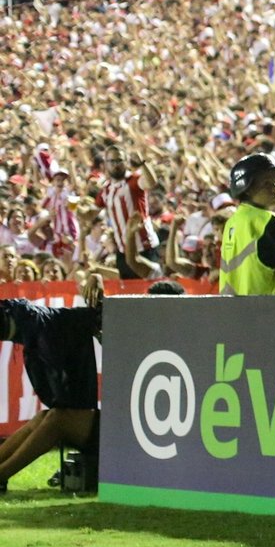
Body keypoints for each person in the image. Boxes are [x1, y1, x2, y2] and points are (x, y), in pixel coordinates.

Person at [0, 274, 106, 491]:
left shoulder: (61, 324)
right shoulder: (48, 329)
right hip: (99, 422)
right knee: (45, 416)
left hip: (114, 428)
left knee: (57, 418)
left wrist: (96, 277)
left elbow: (102, 312)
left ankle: (2, 474)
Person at [219, 151, 275, 296]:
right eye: (267, 184)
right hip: (270, 310)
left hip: (235, 313)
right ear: (247, 189)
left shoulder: (231, 223)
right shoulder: (266, 220)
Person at [100, 145, 161, 279]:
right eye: (112, 161)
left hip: (144, 248)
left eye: (119, 160)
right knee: (129, 294)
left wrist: (143, 163)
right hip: (123, 251)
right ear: (106, 164)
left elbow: (151, 182)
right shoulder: (106, 189)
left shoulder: (134, 181)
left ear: (126, 162)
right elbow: (95, 210)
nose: (116, 165)